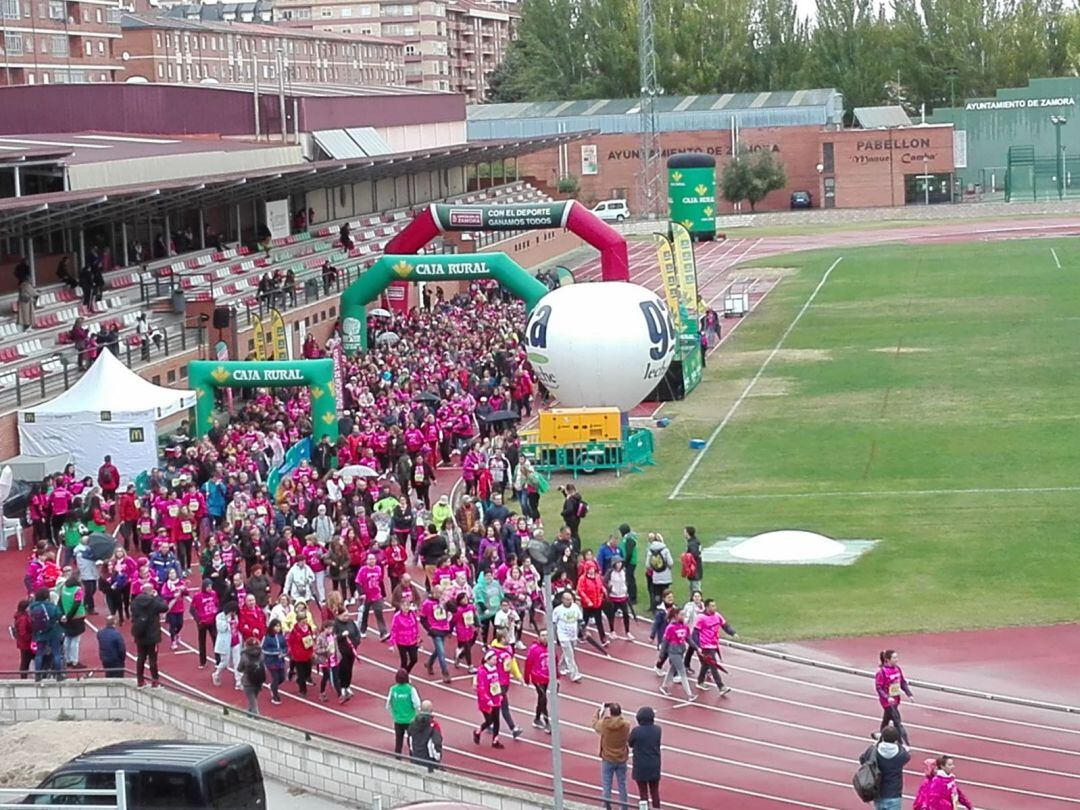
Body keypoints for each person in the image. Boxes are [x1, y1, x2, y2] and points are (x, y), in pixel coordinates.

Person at [859, 726, 910, 810]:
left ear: (882, 737)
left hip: (878, 793)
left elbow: (862, 759)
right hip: (894, 795)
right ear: (896, 740)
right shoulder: (901, 755)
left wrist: (876, 744)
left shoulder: (873, 751)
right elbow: (907, 757)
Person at [694, 598, 738, 695]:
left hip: (714, 644)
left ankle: (700, 681)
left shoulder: (717, 616)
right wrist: (698, 647)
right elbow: (695, 633)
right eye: (712, 606)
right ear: (707, 607)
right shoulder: (700, 618)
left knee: (706, 664)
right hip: (705, 646)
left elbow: (725, 625)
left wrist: (733, 633)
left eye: (715, 605)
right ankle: (721, 686)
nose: (714, 608)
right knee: (713, 664)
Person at [130, 582, 168, 688]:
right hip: (152, 635)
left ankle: (140, 680)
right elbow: (165, 607)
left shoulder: (135, 602)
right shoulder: (153, 602)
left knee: (141, 657)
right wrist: (157, 597)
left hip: (140, 634)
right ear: (151, 591)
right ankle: (155, 680)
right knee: (152, 660)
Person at [593, 702, 631, 810]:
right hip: (621, 758)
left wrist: (599, 713)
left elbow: (595, 724)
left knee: (606, 785)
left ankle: (607, 806)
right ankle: (624, 807)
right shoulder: (626, 725)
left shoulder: (605, 725)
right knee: (622, 784)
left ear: (610, 713)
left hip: (608, 758)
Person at [874, 649, 914, 746]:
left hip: (896, 700)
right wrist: (887, 697)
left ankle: (881, 738)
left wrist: (909, 694)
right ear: (887, 659)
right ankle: (904, 743)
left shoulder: (897, 669)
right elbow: (879, 688)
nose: (897, 660)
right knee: (897, 721)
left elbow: (902, 682)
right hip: (887, 702)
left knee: (886, 720)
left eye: (897, 657)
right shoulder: (882, 672)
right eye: (894, 658)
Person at [628, 706, 662, 810]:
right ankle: (657, 808)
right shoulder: (657, 730)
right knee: (654, 791)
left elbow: (630, 743)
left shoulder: (636, 731)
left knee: (643, 793)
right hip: (654, 764)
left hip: (640, 765)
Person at [658, 609, 695, 700]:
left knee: (672, 670)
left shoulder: (684, 626)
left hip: (681, 651)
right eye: (681, 615)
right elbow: (665, 642)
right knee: (682, 672)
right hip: (673, 652)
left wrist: (697, 648)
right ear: (675, 616)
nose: (683, 617)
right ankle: (690, 695)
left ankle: (664, 687)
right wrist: (661, 655)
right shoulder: (670, 628)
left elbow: (688, 639)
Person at [472, 649, 505, 749]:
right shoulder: (482, 672)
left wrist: (500, 694)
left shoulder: (495, 669)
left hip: (495, 697)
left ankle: (495, 740)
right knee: (489, 720)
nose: (495, 661)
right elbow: (481, 688)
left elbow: (497, 682)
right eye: (494, 660)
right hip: (485, 701)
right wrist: (487, 700)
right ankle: (478, 732)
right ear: (488, 660)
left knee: (497, 720)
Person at [386, 668, 421, 758]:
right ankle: (413, 760)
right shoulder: (411, 689)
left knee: (398, 742)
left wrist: (394, 714)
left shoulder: (393, 689)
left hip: (398, 720)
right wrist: (415, 715)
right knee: (411, 742)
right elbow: (417, 704)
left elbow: (388, 705)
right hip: (410, 720)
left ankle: (397, 759)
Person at [551, 590, 583, 682]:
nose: (569, 601)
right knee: (570, 655)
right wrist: (555, 637)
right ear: (563, 600)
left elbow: (580, 619)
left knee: (569, 652)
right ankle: (575, 675)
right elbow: (554, 623)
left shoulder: (575, 607)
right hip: (563, 635)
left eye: (570, 599)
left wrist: (583, 631)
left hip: (573, 634)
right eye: (567, 599)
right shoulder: (557, 610)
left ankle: (561, 666)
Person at [523, 634, 553, 731]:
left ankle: (536, 719)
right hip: (537, 677)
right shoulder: (534, 649)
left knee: (541, 698)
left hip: (546, 677)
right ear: (539, 637)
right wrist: (526, 677)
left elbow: (554, 661)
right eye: (542, 635)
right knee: (543, 698)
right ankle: (547, 722)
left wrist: (557, 677)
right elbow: (528, 663)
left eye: (546, 635)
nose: (545, 637)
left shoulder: (550, 648)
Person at [212, 601, 243, 690]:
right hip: (225, 642)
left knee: (237, 662)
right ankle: (216, 674)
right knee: (225, 663)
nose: (233, 613)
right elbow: (221, 628)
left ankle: (238, 682)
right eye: (232, 611)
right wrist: (228, 620)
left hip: (236, 641)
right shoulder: (220, 616)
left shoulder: (236, 616)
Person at [408, 699, 444, 773]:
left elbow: (410, 741)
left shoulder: (412, 724)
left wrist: (413, 755)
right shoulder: (434, 726)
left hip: (416, 758)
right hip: (429, 761)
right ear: (431, 710)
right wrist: (437, 758)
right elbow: (436, 743)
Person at [237, 637, 267, 716]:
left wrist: (245, 669)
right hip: (258, 681)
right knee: (253, 699)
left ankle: (257, 718)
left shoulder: (244, 655)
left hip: (248, 681)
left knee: (253, 702)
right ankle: (249, 715)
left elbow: (239, 668)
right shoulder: (261, 654)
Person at [644, 533, 674, 611]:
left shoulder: (650, 550)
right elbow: (670, 563)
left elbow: (647, 565)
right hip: (666, 576)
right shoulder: (665, 550)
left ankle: (657, 608)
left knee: (657, 593)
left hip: (656, 577)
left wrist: (654, 568)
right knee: (665, 593)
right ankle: (666, 608)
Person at [262, 619, 287, 705]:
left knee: (282, 678)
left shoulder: (281, 637)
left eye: (279, 626)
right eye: (276, 626)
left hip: (280, 661)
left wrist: (283, 653)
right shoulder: (268, 637)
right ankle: (275, 695)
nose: (278, 628)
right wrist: (276, 652)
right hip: (271, 661)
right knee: (276, 678)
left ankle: (272, 686)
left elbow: (285, 647)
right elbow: (264, 649)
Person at [12, 600, 34, 678]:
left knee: (24, 661)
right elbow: (23, 632)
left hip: (23, 643)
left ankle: (24, 677)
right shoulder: (23, 619)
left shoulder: (20, 616)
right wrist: (30, 637)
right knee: (25, 662)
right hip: (26, 644)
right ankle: (23, 677)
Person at [15, 262, 36, 330]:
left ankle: (26, 327)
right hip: (26, 302)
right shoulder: (26, 285)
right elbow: (33, 293)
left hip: (23, 301)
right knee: (27, 317)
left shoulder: (21, 284)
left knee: (24, 316)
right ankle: (27, 328)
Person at [682, 526, 703, 594]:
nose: (684, 534)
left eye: (685, 532)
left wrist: (686, 557)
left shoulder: (692, 543)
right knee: (694, 589)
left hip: (694, 570)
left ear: (688, 533)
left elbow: (694, 555)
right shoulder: (694, 541)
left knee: (695, 591)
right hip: (695, 569)